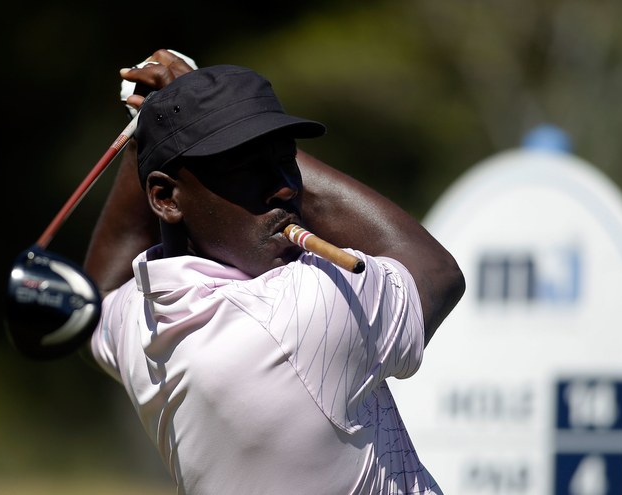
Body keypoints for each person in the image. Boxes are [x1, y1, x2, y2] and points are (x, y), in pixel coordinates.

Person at [83, 48, 465, 495]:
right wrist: (172, 123)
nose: (285, 185)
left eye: (285, 159)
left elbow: (92, 301)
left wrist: (152, 134)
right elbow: (435, 270)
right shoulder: (301, 315)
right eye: (248, 168)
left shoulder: (139, 318)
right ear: (166, 198)